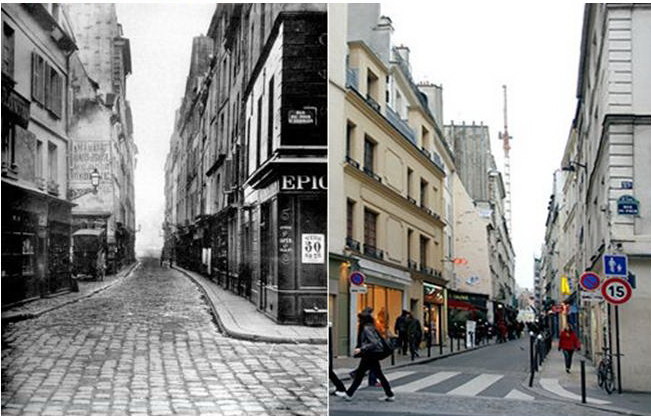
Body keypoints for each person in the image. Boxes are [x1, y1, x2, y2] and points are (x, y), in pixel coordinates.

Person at [342, 309, 395, 402]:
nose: (358, 321)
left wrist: (361, 349)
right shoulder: (371, 327)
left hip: (371, 354)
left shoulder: (366, 329)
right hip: (372, 354)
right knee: (377, 374)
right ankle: (389, 394)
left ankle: (349, 394)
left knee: (361, 374)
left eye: (360, 319)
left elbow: (374, 343)